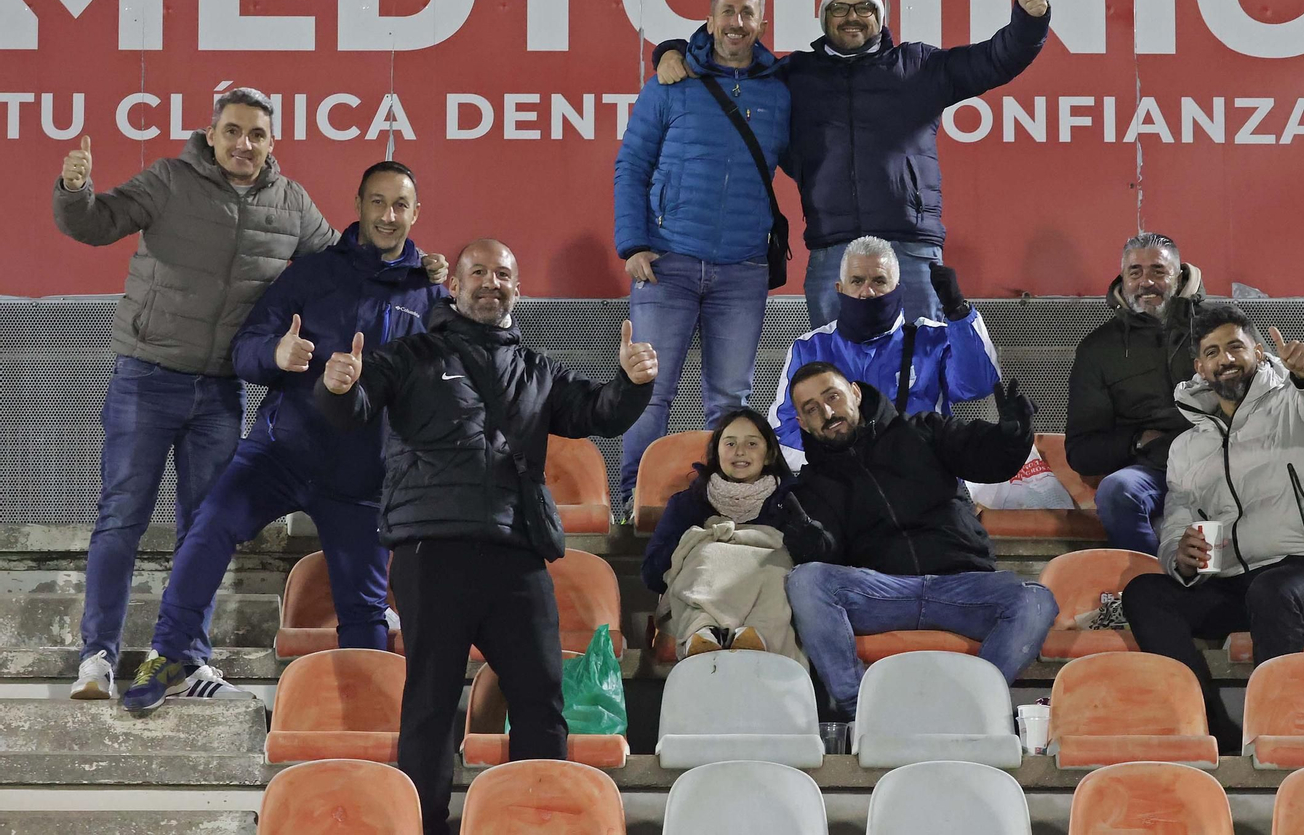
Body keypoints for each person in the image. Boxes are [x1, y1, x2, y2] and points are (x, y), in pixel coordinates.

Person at [315, 238, 657, 835]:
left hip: (516, 553)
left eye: (503, 273)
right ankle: (424, 824)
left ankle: (533, 821)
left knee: (541, 701)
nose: (490, 282)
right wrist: (338, 386)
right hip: (433, 550)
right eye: (478, 272)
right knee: (430, 701)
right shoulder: (412, 354)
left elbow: (596, 412)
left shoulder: (538, 368)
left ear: (517, 291)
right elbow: (353, 409)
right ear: (455, 285)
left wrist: (630, 384)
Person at [119, 161, 446, 711]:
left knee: (365, 614)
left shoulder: (430, 295)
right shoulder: (311, 274)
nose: (388, 216)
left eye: (400, 205)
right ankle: (169, 654)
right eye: (377, 202)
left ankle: (363, 720)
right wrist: (276, 355)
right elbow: (247, 348)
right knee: (210, 525)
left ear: (416, 213)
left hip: (361, 478)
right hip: (281, 453)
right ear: (359, 205)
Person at [54, 88, 340, 701]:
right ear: (211, 135)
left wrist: (418, 272)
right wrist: (74, 190)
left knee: (203, 529)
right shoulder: (169, 180)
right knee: (121, 522)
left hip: (220, 391)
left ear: (272, 143)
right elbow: (96, 223)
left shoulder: (291, 204)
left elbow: (344, 266)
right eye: (232, 131)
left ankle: (185, 660)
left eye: (256, 134)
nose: (244, 144)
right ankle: (98, 658)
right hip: (146, 376)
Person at [656, 0, 1052, 326]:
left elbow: (996, 59)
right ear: (825, 19)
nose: (851, 17)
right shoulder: (796, 74)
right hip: (833, 251)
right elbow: (732, 59)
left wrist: (1029, 22)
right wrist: (672, 50)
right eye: (840, 9)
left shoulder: (917, 66)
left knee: (923, 370)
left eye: (864, 7)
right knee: (837, 378)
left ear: (880, 18)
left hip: (911, 250)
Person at [1120, 304, 1304, 751]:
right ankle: (1212, 731)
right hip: (1240, 585)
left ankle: (1275, 735)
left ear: (1256, 350)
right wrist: (1179, 554)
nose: (1225, 358)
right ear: (1200, 367)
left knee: (1272, 590)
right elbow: (1178, 514)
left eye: (1235, 346)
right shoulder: (1187, 447)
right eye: (1212, 352)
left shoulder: (1297, 404)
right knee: (1145, 593)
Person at [776, 362, 1058, 715]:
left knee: (1035, 600)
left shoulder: (922, 430)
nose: (828, 412)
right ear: (802, 423)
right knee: (806, 580)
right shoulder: (813, 483)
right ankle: (862, 708)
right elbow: (829, 553)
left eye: (832, 396)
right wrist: (811, 545)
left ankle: (970, 708)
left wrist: (1013, 435)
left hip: (964, 589)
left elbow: (986, 459)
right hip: (883, 595)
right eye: (812, 409)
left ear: (855, 393)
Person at [613, 0, 790, 510]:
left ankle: (727, 508)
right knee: (649, 394)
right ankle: (631, 508)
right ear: (710, 21)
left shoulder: (782, 91)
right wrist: (633, 245)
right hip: (667, 263)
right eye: (728, 12)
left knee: (730, 404)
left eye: (748, 13)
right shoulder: (672, 82)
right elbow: (632, 166)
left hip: (743, 270)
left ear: (761, 23)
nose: (737, 23)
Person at [767, 236, 999, 467]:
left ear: (897, 289)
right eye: (857, 281)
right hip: (841, 484)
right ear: (840, 288)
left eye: (879, 281)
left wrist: (959, 314)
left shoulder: (933, 338)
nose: (867, 292)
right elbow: (784, 430)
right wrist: (846, 459)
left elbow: (978, 386)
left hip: (923, 482)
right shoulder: (809, 347)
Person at [1065, 232, 1204, 553]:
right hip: (1152, 469)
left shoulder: (1220, 327)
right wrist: (1138, 440)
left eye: (1158, 271)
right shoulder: (1097, 349)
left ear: (1180, 275)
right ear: (1123, 279)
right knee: (1116, 490)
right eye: (1135, 272)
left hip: (1221, 461)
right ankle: (1153, 583)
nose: (1146, 282)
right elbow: (1082, 450)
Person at [641, 409, 804, 663]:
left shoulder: (793, 502)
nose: (740, 451)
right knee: (704, 552)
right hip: (703, 607)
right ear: (717, 451)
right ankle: (701, 635)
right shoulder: (687, 504)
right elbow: (652, 574)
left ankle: (757, 637)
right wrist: (697, 542)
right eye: (730, 443)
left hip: (762, 608)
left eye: (752, 443)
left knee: (778, 565)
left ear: (769, 452)